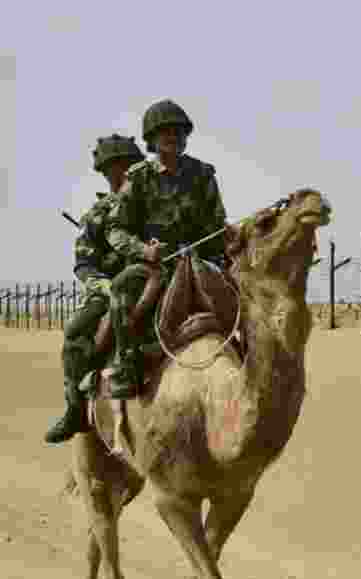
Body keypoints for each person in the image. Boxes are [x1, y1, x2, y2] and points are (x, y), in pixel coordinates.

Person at [103, 98, 227, 399]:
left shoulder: (203, 174)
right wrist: (143, 250)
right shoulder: (139, 178)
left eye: (179, 131)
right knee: (123, 292)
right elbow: (115, 229)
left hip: (199, 261)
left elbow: (218, 225)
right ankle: (127, 363)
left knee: (247, 297)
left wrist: (228, 239)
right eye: (166, 131)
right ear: (153, 139)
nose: (174, 137)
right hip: (153, 264)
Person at [43, 134, 147, 443]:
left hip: (155, 276)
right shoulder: (95, 216)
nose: (127, 170)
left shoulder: (150, 204)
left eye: (131, 163)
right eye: (119, 165)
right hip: (110, 290)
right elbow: (84, 265)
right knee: (75, 333)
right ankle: (75, 410)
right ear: (106, 172)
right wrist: (106, 286)